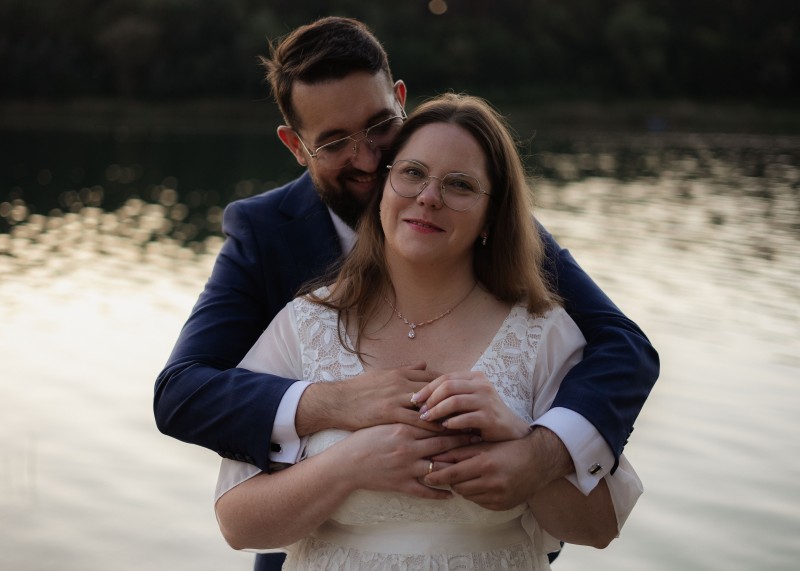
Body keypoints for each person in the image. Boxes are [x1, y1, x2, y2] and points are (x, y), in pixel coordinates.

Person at [152, 16, 658, 570]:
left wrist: (539, 453)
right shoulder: (267, 238)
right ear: (296, 146)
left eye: (378, 127)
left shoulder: (481, 222)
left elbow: (623, 347)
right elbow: (183, 392)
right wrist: (335, 404)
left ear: (400, 99)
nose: (368, 159)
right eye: (335, 143)